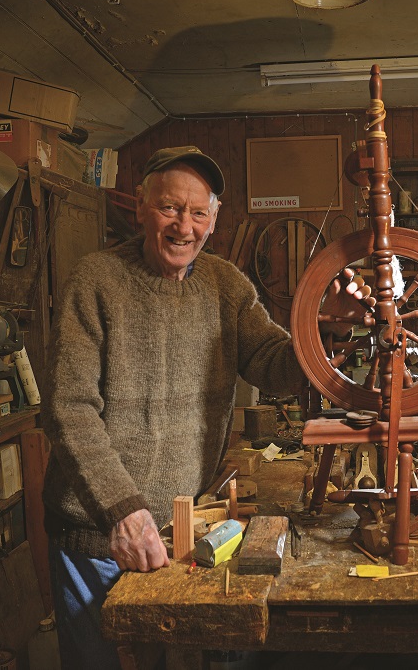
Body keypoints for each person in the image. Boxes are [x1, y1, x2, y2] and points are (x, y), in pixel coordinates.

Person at [42, 146, 311, 668]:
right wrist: (122, 509)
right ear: (141, 206)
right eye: (169, 208)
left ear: (213, 221)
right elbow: (68, 408)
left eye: (197, 213)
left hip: (187, 531)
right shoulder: (95, 281)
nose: (182, 225)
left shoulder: (226, 285)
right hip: (97, 533)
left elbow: (275, 364)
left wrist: (322, 329)